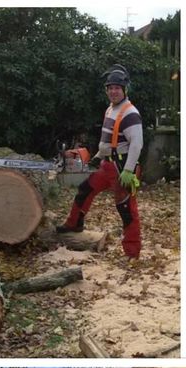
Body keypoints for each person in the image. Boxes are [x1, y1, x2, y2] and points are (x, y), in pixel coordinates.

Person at [56, 65, 143, 260]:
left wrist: (129, 170)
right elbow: (107, 141)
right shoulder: (111, 110)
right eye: (110, 88)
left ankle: (132, 253)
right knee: (85, 189)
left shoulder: (131, 113)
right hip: (107, 165)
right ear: (107, 90)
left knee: (126, 210)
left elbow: (137, 144)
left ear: (124, 90)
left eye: (117, 88)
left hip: (122, 167)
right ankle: (74, 223)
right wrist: (96, 157)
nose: (113, 91)